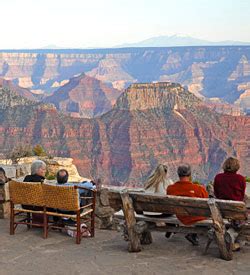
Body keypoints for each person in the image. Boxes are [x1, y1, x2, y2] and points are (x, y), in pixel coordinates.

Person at [167, 164, 208, 245]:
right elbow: (207, 202)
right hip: (196, 217)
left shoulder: (170, 188)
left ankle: (172, 230)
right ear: (190, 174)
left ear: (178, 174)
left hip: (179, 216)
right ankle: (193, 234)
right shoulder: (199, 189)